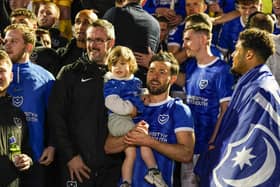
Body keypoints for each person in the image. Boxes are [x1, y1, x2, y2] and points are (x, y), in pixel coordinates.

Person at [195, 28, 280, 186]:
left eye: (237, 50)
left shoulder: (260, 91)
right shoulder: (254, 82)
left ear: (249, 55)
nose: (233, 55)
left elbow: (247, 143)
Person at [48, 19, 122, 187]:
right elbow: (56, 117)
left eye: (98, 40)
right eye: (89, 39)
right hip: (76, 166)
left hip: (112, 169)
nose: (92, 45)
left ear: (111, 42)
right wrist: (70, 156)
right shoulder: (69, 73)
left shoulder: (123, 76)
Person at [105, 51, 195, 187]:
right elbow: (108, 147)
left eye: (162, 72)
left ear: (172, 79)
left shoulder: (179, 109)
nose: (155, 76)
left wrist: (149, 141)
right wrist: (130, 137)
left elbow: (186, 154)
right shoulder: (131, 104)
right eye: (152, 70)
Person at [175, 12, 234, 187]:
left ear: (203, 39)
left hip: (208, 147)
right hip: (188, 145)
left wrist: (213, 141)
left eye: (188, 39)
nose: (184, 44)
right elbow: (181, 81)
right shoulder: (192, 66)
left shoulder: (221, 70)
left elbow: (225, 110)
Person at [104, 46, 167, 187]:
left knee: (131, 153)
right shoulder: (112, 83)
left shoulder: (135, 81)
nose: (117, 68)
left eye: (122, 64)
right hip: (118, 119)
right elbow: (110, 101)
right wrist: (130, 108)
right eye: (114, 64)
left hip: (129, 119)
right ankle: (153, 171)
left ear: (131, 65)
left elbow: (139, 93)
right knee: (142, 138)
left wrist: (144, 95)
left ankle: (126, 182)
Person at [3, 23, 55, 187]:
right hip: (3, 159)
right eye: (5, 41)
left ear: (29, 46)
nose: (7, 45)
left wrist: (52, 145)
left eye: (14, 41)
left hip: (34, 157)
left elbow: (55, 115)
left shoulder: (45, 78)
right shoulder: (1, 73)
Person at [103, 0, 160, 85]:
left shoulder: (115, 13)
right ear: (144, 1)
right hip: (141, 85)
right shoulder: (155, 23)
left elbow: (100, 43)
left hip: (114, 84)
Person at [0, 50, 33, 187]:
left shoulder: (18, 114)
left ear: (11, 76)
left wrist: (27, 160)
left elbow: (25, 148)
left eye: (2, 71)